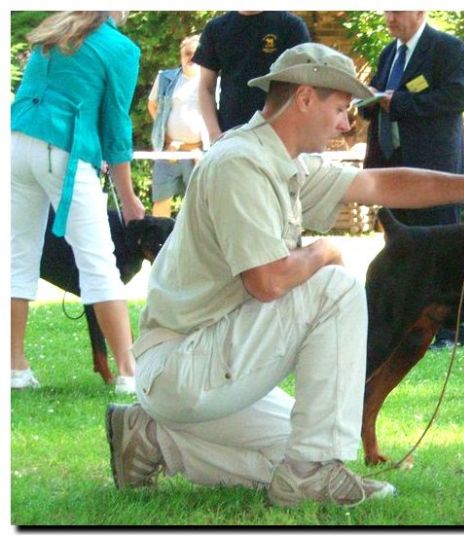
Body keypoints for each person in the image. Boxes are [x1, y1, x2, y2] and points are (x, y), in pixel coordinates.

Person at [105, 43, 464, 508]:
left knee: (294, 447)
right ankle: (314, 471)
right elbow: (267, 281)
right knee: (336, 288)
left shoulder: (281, 160)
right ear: (304, 98)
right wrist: (325, 251)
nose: (346, 124)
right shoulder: (241, 163)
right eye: (340, 109)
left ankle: (149, 437)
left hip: (198, 366)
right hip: (181, 365)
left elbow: (380, 184)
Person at [10, 11, 145, 395]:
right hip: (63, 147)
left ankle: (14, 367)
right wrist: (128, 199)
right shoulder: (120, 47)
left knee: (17, 258)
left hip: (16, 141)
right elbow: (116, 128)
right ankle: (130, 372)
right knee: (99, 262)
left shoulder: (54, 30)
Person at [361, 11, 464, 350]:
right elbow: (376, 102)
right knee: (401, 247)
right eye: (386, 10)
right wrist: (366, 98)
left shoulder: (447, 48)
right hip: (392, 166)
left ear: (420, 11)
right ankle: (406, 320)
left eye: (397, 9)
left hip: (434, 171)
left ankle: (452, 331)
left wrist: (398, 102)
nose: (389, 16)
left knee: (444, 248)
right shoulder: (388, 52)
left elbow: (457, 97)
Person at [193, 11, 310, 143]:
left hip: (278, 135)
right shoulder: (215, 28)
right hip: (230, 135)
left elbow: (303, 83)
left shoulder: (291, 25)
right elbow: (206, 88)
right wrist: (214, 134)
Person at [147, 34, 209, 218]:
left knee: (199, 206)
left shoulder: (211, 81)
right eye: (187, 53)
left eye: (196, 53)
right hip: (169, 149)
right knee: (160, 203)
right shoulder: (165, 78)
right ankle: (160, 236)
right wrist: (164, 134)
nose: (191, 57)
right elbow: (152, 105)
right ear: (181, 55)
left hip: (199, 152)